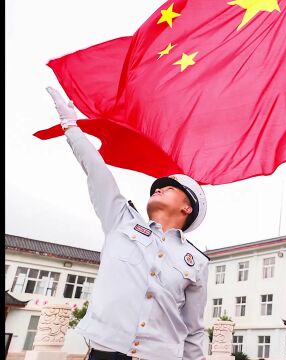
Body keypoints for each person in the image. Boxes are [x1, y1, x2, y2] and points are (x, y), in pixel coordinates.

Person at [46, 87, 210, 360]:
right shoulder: (121, 220)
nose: (158, 188)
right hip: (106, 353)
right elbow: (97, 171)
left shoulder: (197, 262)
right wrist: (71, 127)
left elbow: (193, 329)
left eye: (169, 188)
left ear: (187, 207)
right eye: (158, 187)